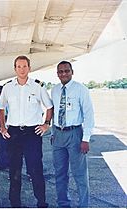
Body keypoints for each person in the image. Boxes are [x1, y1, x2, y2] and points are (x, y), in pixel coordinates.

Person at [0, 55, 53, 208]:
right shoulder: (8, 87)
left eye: (24, 66)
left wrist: (46, 124)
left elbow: (49, 106)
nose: (22, 69)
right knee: (14, 171)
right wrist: (2, 127)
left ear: (29, 68)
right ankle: (15, 204)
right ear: (15, 69)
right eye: (19, 66)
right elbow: (1, 108)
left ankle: (41, 202)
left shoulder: (38, 86)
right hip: (14, 133)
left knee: (35, 170)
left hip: (32, 134)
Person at [51, 60, 94, 207]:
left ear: (72, 72)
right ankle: (63, 203)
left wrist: (86, 139)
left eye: (66, 71)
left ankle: (83, 205)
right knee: (60, 173)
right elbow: (55, 112)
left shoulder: (81, 89)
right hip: (58, 135)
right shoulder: (55, 90)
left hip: (75, 134)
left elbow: (89, 115)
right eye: (61, 71)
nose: (64, 74)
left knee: (80, 174)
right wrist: (52, 133)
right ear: (57, 74)